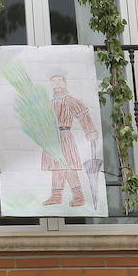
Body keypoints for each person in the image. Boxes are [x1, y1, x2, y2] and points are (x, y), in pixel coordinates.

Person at [42, 73, 100, 207]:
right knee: (56, 167)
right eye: (53, 81)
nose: (56, 84)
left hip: (65, 136)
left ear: (65, 83)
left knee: (68, 167)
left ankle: (78, 196)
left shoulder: (71, 101)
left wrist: (91, 133)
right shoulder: (49, 103)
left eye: (59, 81)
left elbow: (83, 116)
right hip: (53, 139)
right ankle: (56, 196)